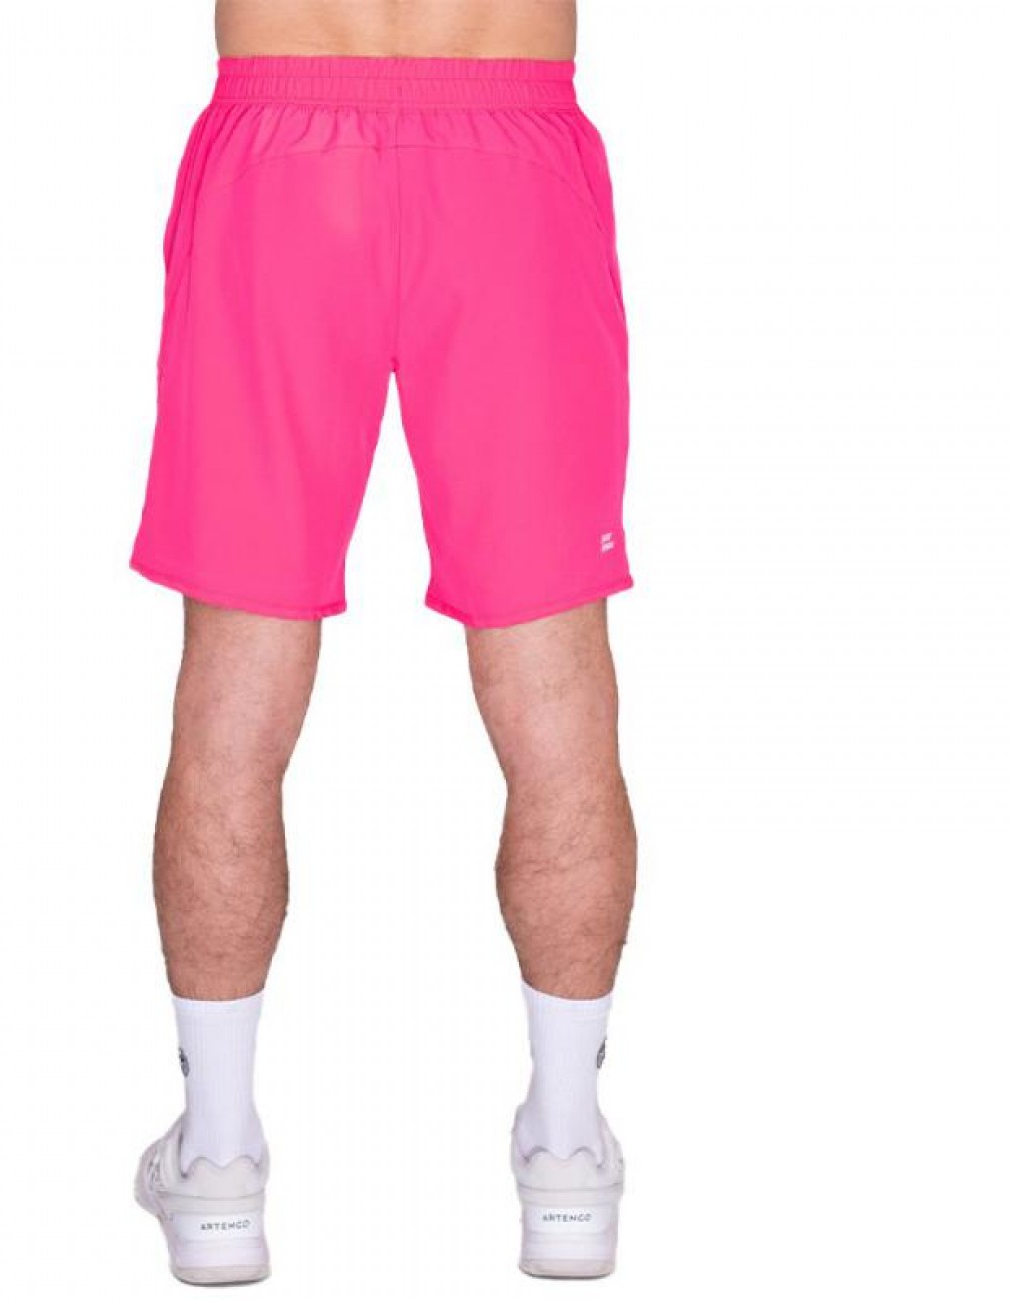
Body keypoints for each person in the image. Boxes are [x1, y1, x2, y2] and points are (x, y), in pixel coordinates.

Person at [131, 1, 636, 1282]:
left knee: (236, 678)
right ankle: (566, 1159)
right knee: (552, 680)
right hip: (509, 151)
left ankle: (218, 1165)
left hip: (281, 148)